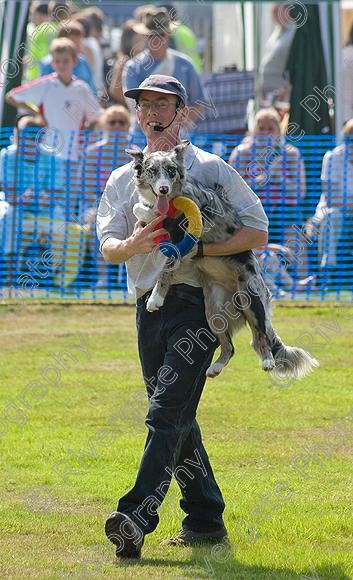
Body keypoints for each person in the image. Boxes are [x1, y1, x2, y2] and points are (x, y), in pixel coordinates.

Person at [96, 74, 268, 558]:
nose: (150, 111)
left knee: (165, 411)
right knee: (179, 417)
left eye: (160, 103)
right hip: (147, 305)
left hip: (199, 304)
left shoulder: (212, 169)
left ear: (181, 111)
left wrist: (198, 249)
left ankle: (134, 517)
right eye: (143, 103)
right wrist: (130, 245)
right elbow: (107, 244)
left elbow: (257, 231)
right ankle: (206, 517)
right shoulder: (123, 175)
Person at [6, 38, 102, 162]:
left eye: (65, 61)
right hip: (48, 153)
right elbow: (11, 97)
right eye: (57, 61)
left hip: (74, 154)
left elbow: (96, 117)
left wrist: (88, 136)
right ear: (52, 63)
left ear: (74, 61)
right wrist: (37, 113)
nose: (61, 65)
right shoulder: (45, 85)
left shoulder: (82, 88)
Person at [123, 7, 206, 145]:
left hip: (179, 138)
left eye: (160, 34)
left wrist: (175, 125)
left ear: (168, 34)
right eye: (151, 35)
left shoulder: (185, 64)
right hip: (142, 138)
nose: (156, 39)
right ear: (145, 36)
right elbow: (134, 106)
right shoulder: (133, 67)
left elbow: (198, 102)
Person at [0, 115, 68, 282]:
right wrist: (22, 198)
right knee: (9, 217)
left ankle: (56, 274)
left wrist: (46, 198)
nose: (27, 141)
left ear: (41, 138)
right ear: (17, 136)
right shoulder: (7, 155)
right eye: (24, 136)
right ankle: (10, 273)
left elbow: (57, 193)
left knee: (60, 219)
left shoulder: (53, 158)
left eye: (32, 136)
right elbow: (9, 194)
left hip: (47, 207)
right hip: (15, 205)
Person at [228, 108, 306, 249]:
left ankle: (299, 270)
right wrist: (260, 180)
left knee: (296, 238)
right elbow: (231, 190)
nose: (265, 133)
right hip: (251, 210)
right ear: (254, 130)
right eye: (261, 128)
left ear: (279, 130)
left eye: (270, 129)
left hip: (285, 211)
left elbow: (300, 193)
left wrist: (279, 178)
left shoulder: (291, 154)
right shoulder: (242, 153)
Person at [81, 105, 131, 288]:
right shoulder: (92, 154)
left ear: (128, 126)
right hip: (98, 205)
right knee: (94, 220)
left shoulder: (135, 154)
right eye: (112, 122)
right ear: (103, 125)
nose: (117, 126)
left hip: (129, 206)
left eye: (122, 122)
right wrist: (104, 207)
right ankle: (103, 277)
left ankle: (130, 277)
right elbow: (86, 189)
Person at [305, 119, 353, 286]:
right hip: (330, 210)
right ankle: (327, 271)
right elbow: (332, 198)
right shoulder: (332, 157)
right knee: (332, 217)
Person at [39, 22, 97, 95]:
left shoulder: (83, 62)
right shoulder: (47, 64)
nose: (78, 44)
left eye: (80, 40)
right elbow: (43, 91)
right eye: (74, 41)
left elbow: (92, 89)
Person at [258, 3, 295, 104]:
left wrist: (288, 86)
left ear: (287, 10)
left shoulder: (295, 32)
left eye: (276, 11)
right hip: (268, 95)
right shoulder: (277, 31)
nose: (273, 15)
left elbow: (295, 63)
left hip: (283, 95)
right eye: (273, 12)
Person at [108, 20, 147, 106]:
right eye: (137, 40)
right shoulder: (124, 62)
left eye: (142, 38)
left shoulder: (141, 60)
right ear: (127, 41)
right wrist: (133, 106)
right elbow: (115, 91)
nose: (141, 43)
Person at [160, 4, 203, 73]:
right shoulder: (185, 30)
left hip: (183, 72)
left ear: (167, 15)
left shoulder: (170, 31)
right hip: (195, 71)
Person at [25, 1, 57, 81]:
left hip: (45, 73)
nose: (32, 16)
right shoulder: (31, 28)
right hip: (32, 73)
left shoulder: (50, 30)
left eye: (34, 13)